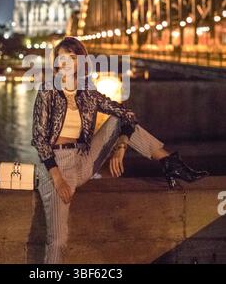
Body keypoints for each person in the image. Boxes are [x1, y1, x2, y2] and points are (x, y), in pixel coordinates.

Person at [31, 36, 208, 264]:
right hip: (56, 166)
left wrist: (121, 144)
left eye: (72, 57)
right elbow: (39, 138)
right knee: (58, 240)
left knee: (117, 122)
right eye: (62, 57)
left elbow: (127, 114)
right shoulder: (48, 91)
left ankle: (170, 163)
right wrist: (58, 178)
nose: (66, 62)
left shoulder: (87, 93)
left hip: (83, 160)